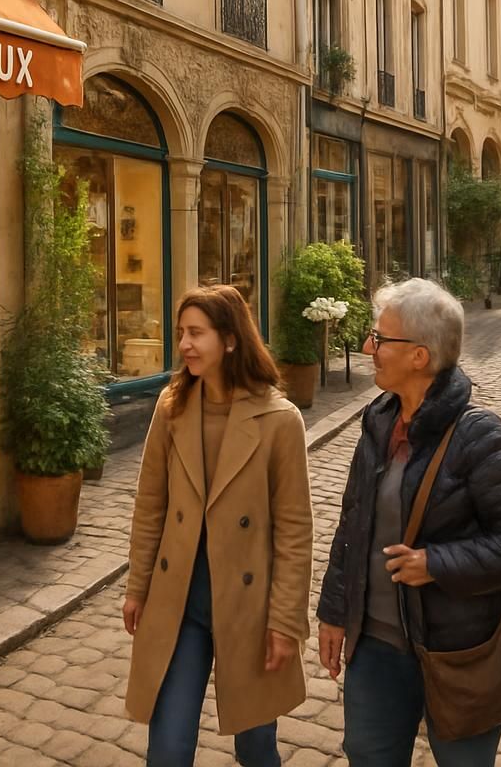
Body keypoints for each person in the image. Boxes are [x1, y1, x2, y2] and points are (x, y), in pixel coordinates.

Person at [317, 278, 501, 767]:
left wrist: (437, 562)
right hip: (375, 645)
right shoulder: (378, 418)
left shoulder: (477, 435)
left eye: (379, 338)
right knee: (368, 756)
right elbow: (352, 525)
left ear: (419, 356)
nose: (366, 347)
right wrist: (335, 611)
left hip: (457, 652)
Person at [123, 285, 313, 767]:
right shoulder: (172, 407)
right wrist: (137, 586)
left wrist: (285, 620)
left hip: (248, 607)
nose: (184, 344)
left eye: (195, 333)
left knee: (255, 746)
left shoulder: (279, 420)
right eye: (181, 333)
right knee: (167, 749)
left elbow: (294, 530)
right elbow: (150, 505)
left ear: (229, 340)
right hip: (181, 600)